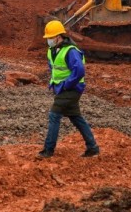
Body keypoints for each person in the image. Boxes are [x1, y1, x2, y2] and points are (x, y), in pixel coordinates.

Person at [38, 20, 99, 158]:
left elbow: (79, 71)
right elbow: (53, 67)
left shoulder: (70, 51)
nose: (48, 40)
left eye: (50, 37)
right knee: (75, 117)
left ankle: (48, 150)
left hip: (71, 89)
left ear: (59, 36)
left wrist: (66, 85)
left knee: (54, 116)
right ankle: (93, 147)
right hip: (62, 88)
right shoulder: (52, 50)